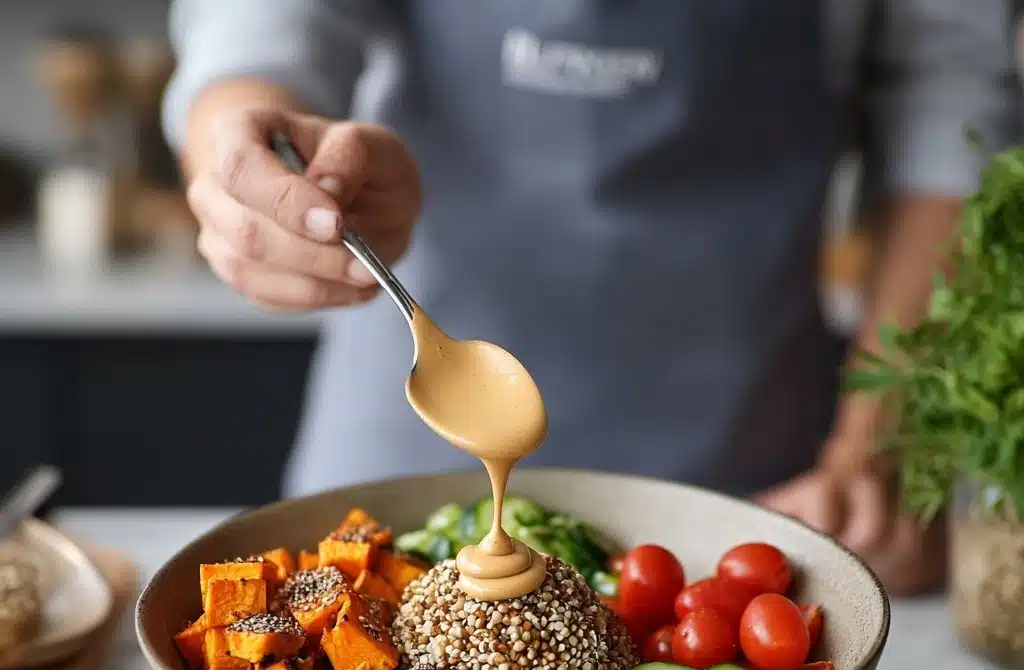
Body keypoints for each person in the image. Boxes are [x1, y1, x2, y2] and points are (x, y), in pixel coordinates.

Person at [163, 1, 1020, 596]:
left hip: (758, 481)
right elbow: (264, 32)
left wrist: (871, 448)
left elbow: (946, 108)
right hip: (399, 445)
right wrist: (242, 154)